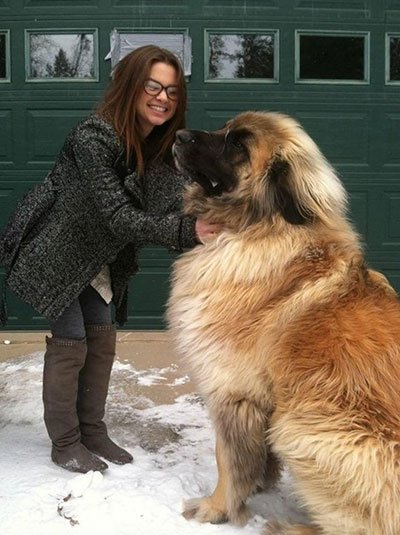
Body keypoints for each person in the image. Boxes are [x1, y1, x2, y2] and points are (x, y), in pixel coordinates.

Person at [0, 45, 219, 474]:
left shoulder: (154, 146)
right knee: (72, 342)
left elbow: (178, 199)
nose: (163, 98)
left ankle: (92, 430)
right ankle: (65, 442)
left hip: (97, 259)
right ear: (131, 87)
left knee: (102, 338)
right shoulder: (93, 137)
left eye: (172, 91)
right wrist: (186, 232)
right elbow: (118, 216)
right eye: (153, 86)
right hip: (57, 251)